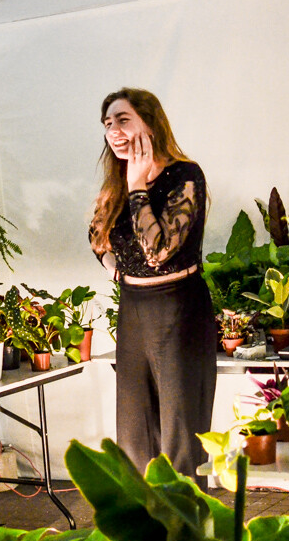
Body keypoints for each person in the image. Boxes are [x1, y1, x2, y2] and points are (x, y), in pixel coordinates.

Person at [88, 87, 216, 487]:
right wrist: (117, 268)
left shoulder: (185, 175)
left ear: (149, 122)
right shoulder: (117, 181)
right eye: (108, 124)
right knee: (135, 435)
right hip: (135, 312)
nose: (114, 131)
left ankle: (188, 534)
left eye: (123, 120)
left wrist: (138, 187)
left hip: (179, 310)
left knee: (180, 437)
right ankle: (148, 537)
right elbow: (97, 239)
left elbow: (158, 251)